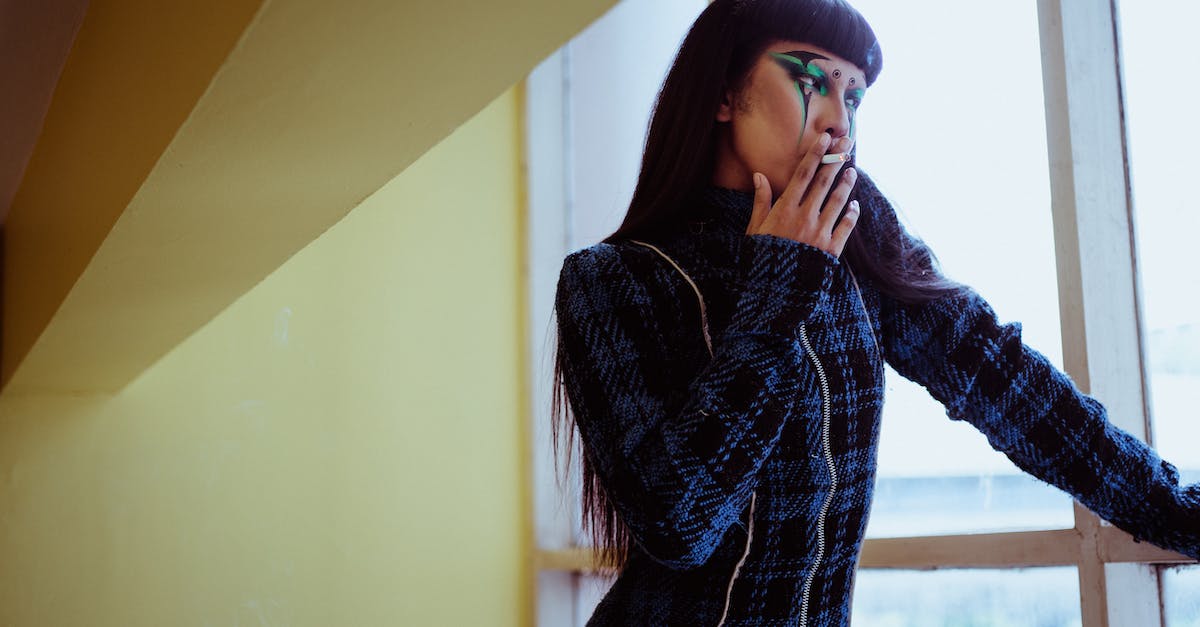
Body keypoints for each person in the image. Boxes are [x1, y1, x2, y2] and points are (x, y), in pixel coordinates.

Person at [549, 0, 1200, 624]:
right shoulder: (609, 280)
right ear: (723, 93)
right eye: (814, 80)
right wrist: (782, 285)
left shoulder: (856, 235)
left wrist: (1176, 510)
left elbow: (999, 378)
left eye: (855, 95)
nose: (840, 120)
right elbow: (678, 523)